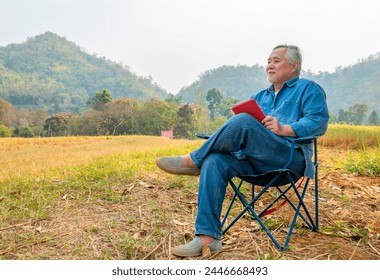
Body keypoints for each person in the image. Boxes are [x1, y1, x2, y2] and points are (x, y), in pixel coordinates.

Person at [156, 44, 329, 257]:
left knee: (244, 121)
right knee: (215, 160)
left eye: (276, 60)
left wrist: (285, 129)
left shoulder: (308, 89)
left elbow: (318, 123)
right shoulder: (260, 96)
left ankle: (193, 161)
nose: (269, 66)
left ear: (293, 66)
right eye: (268, 61)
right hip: (254, 161)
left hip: (288, 159)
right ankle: (207, 239)